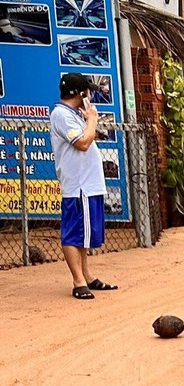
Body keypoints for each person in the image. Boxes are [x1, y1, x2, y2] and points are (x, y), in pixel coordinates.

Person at [50, 72, 114, 300]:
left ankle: (87, 276)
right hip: (79, 186)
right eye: (88, 92)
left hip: (89, 185)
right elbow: (83, 143)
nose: (90, 96)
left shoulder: (74, 114)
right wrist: (93, 119)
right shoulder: (61, 115)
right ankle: (78, 282)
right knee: (73, 234)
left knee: (85, 235)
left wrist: (88, 119)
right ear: (80, 94)